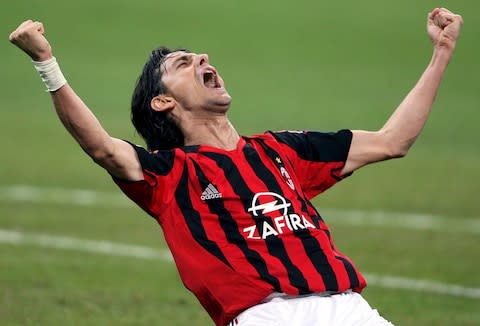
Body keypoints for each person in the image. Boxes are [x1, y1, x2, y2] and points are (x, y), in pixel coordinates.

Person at [9, 7, 463, 326]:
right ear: (163, 101)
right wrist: (47, 63)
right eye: (184, 64)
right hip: (267, 317)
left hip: (349, 309)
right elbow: (104, 149)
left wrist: (441, 54)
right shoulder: (168, 175)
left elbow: (392, 141)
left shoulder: (282, 151)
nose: (204, 59)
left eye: (200, 57)